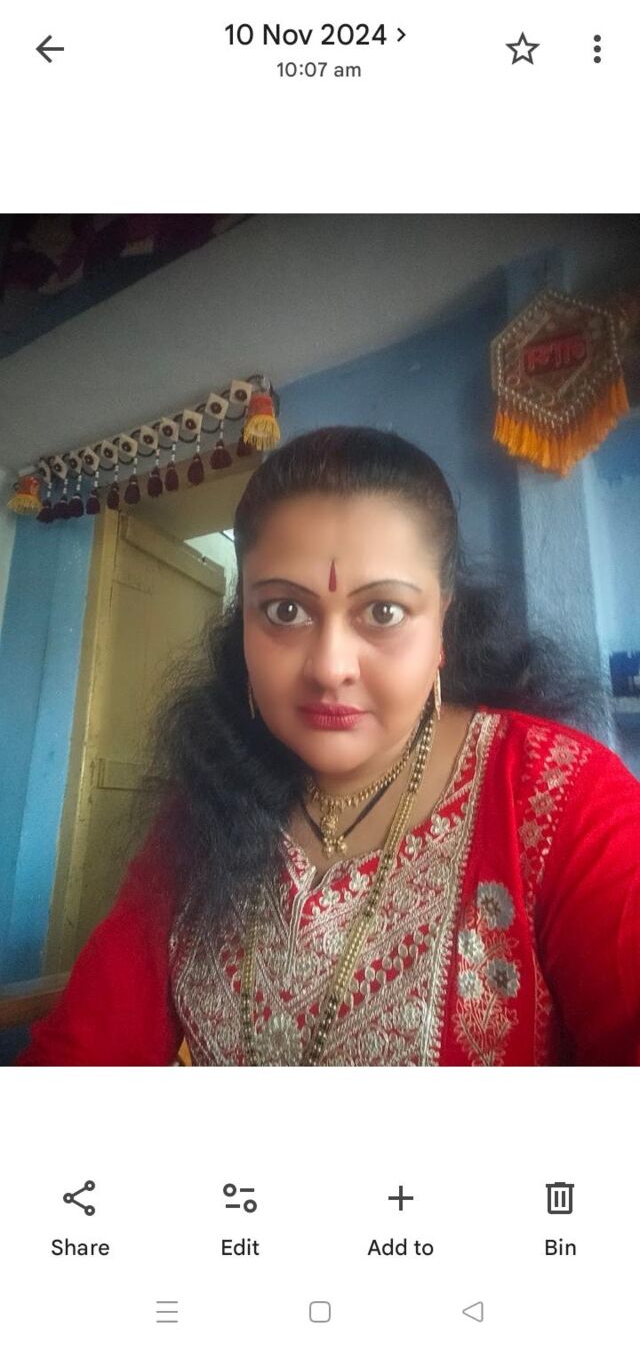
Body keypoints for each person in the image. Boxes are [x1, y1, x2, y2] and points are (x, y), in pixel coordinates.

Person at [16, 426, 640, 1066]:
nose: (329, 667)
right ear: (243, 623)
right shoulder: (205, 806)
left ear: (443, 624)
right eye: (285, 611)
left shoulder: (561, 797)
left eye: (383, 612)